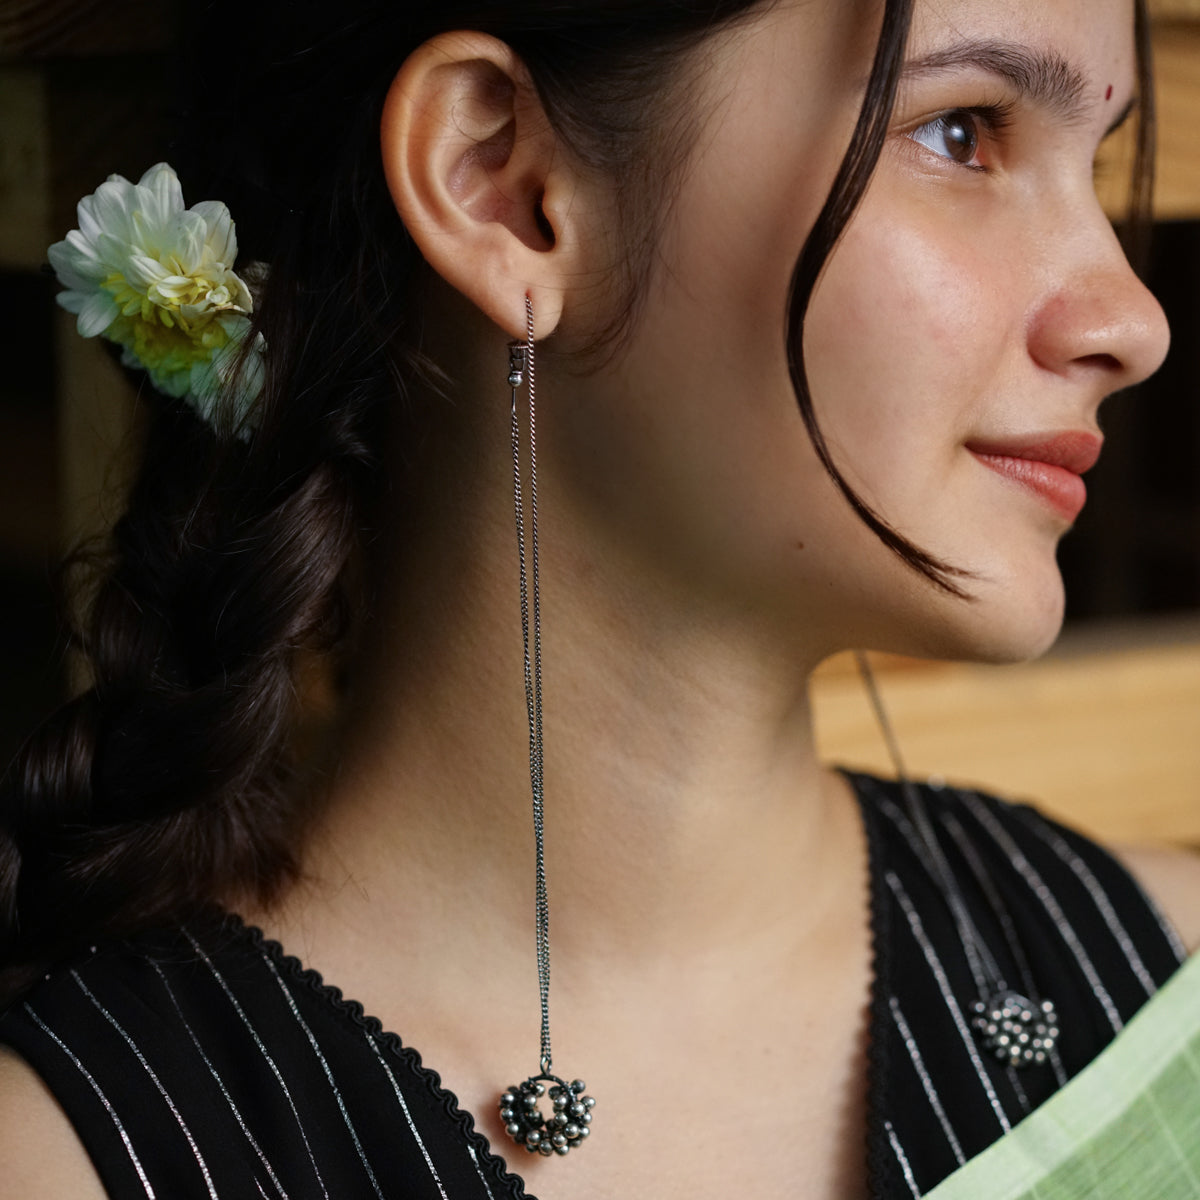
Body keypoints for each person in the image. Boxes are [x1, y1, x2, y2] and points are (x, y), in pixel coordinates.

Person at [1, 0, 1197, 1196]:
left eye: (1093, 164)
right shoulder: (68, 1159)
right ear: (504, 188)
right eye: (962, 134)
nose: (1131, 322)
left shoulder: (1172, 1004)